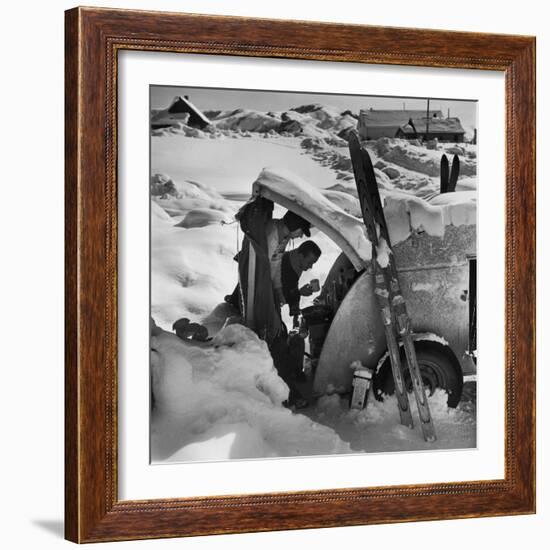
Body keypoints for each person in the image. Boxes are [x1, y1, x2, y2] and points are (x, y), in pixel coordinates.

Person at [225, 210, 311, 311]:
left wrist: (278, 289)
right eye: (301, 231)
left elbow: (276, 264)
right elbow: (264, 270)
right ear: (294, 225)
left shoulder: (284, 236)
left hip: (260, 280)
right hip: (252, 279)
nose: (301, 236)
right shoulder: (271, 237)